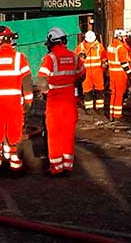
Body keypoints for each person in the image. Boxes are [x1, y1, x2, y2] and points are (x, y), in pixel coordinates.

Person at [36, 27, 84, 175]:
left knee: (54, 134)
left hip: (54, 101)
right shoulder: (75, 57)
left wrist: (46, 91)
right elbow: (82, 75)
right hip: (69, 101)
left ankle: (56, 167)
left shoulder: (50, 58)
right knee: (68, 133)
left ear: (52, 42)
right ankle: (67, 165)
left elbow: (42, 80)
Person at [0, 25, 32, 171]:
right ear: (10, 40)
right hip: (14, 101)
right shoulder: (19, 57)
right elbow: (26, 80)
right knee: (14, 130)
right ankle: (14, 162)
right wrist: (28, 100)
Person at [75, 30, 104, 114]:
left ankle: (100, 108)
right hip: (86, 73)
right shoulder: (80, 47)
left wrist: (103, 70)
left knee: (99, 90)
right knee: (87, 90)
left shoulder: (99, 46)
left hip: (97, 72)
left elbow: (104, 58)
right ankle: (89, 108)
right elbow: (76, 60)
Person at [105, 29, 131, 120]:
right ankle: (117, 115)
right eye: (124, 36)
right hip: (120, 74)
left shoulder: (110, 46)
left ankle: (111, 113)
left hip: (112, 73)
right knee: (119, 95)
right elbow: (124, 63)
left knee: (113, 94)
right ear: (120, 37)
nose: (125, 38)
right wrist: (130, 74)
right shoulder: (121, 48)